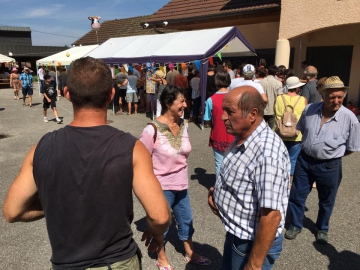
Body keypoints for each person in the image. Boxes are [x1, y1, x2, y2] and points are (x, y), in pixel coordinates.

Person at [3, 57, 171, 269]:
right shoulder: (132, 148)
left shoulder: (40, 148)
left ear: (66, 94)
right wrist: (156, 233)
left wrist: (57, 204)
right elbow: (160, 215)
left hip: (66, 264)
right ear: (111, 95)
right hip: (117, 262)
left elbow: (12, 211)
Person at [208, 86, 290, 270]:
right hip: (237, 233)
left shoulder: (267, 154)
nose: (222, 117)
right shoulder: (243, 136)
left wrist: (253, 265)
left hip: (250, 242)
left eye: (230, 112)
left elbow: (271, 216)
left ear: (253, 114)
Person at [140, 86, 211, 270]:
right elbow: (140, 160)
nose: (185, 105)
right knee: (161, 224)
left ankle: (191, 253)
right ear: (168, 103)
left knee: (186, 220)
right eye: (181, 102)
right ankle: (161, 257)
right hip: (161, 186)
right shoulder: (151, 129)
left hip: (181, 184)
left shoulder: (184, 124)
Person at [285, 76, 360, 244]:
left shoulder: (350, 118)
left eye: (340, 96)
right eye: (331, 96)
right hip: (304, 161)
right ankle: (295, 225)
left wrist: (330, 154)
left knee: (327, 200)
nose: (336, 100)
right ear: (323, 96)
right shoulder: (309, 109)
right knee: (297, 195)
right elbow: (303, 131)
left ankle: (322, 228)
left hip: (330, 165)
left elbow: (352, 147)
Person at [274, 76, 307, 183]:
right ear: (297, 87)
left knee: (279, 158)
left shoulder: (279, 98)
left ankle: (278, 179)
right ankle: (289, 180)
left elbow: (275, 113)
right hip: (296, 134)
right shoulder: (303, 100)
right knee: (293, 159)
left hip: (280, 133)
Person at [203, 71, 234, 177]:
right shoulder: (236, 97)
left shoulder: (210, 100)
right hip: (235, 136)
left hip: (217, 135)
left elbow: (207, 119)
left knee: (219, 164)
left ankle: (220, 189)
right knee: (234, 164)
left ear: (216, 82)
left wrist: (213, 125)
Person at [260, 64, 283, 129]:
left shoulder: (261, 82)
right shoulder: (278, 83)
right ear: (276, 72)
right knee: (272, 129)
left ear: (267, 71)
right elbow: (280, 96)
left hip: (263, 109)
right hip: (273, 110)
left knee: (261, 129)